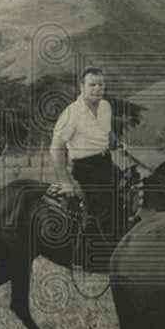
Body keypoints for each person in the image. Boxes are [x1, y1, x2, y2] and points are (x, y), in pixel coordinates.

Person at [50, 68, 123, 270]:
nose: (98, 89)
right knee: (106, 206)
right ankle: (96, 259)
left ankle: (126, 245)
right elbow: (55, 149)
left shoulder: (106, 106)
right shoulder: (71, 114)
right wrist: (66, 182)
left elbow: (105, 133)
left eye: (101, 84)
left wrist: (116, 142)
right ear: (81, 87)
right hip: (85, 168)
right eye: (92, 84)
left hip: (105, 163)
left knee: (131, 193)